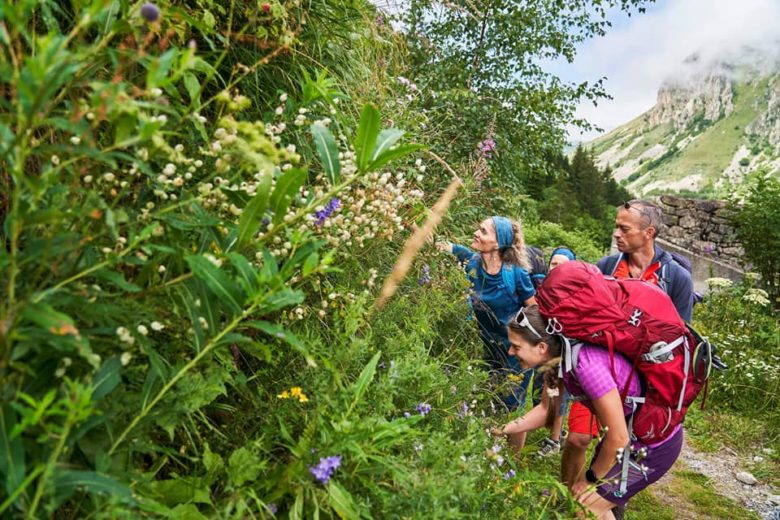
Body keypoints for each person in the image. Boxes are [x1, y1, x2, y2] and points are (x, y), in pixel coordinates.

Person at [561, 199, 694, 519]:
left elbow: (681, 341)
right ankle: (566, 495)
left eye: (624, 228)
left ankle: (600, 502)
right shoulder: (606, 267)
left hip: (642, 388)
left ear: (649, 232)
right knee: (578, 438)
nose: (616, 233)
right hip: (598, 373)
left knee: (620, 450)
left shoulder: (675, 278)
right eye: (616, 226)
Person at [494, 306, 684, 520]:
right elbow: (546, 410)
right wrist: (505, 429)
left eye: (516, 346)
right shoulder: (559, 362)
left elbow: (618, 438)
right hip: (630, 436)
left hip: (653, 444)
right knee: (589, 507)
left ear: (541, 347)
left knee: (585, 507)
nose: (510, 352)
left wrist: (590, 479)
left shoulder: (587, 367)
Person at [436, 216, 536, 446]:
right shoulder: (473, 263)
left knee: (512, 405)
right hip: (488, 345)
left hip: (516, 350)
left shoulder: (515, 273)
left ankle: (514, 459)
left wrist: (526, 345)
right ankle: (490, 451)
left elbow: (535, 310)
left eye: (483, 231)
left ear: (498, 243)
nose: (476, 233)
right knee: (488, 397)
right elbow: (450, 248)